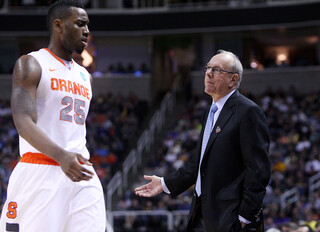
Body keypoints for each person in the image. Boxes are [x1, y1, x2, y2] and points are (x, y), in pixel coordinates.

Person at [135, 50, 271, 232]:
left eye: (217, 70)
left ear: (233, 79)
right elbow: (199, 163)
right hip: (202, 212)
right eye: (208, 68)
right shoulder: (210, 112)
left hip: (231, 216)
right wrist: (165, 183)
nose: (208, 73)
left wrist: (246, 215)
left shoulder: (248, 112)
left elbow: (258, 169)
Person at [0, 1, 106, 231]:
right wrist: (60, 155)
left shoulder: (85, 76)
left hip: (81, 173)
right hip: (40, 170)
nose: (87, 31)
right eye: (80, 24)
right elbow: (23, 120)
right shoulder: (31, 64)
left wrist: (69, 157)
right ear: (59, 26)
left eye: (88, 25)